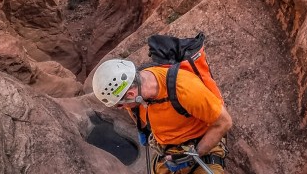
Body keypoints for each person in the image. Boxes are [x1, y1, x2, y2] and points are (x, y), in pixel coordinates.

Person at [93, 59, 232, 173]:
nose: (121, 108)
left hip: (202, 145)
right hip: (168, 150)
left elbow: (224, 122)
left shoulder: (184, 89)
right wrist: (144, 130)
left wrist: (192, 156)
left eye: (119, 105)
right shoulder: (136, 99)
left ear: (130, 95)